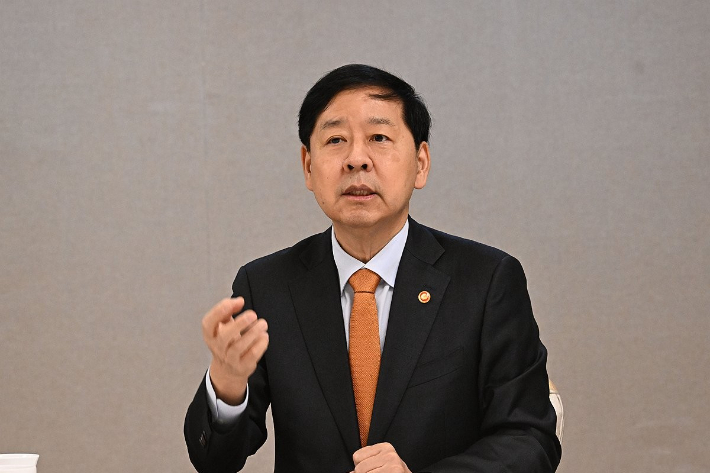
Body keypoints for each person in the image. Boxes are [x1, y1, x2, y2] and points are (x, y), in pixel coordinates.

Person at [184, 64, 561, 473]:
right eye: (336, 140)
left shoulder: (485, 281)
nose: (356, 160)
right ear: (308, 166)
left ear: (421, 163)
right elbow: (214, 461)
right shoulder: (267, 286)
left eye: (379, 138)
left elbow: (530, 439)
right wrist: (226, 383)